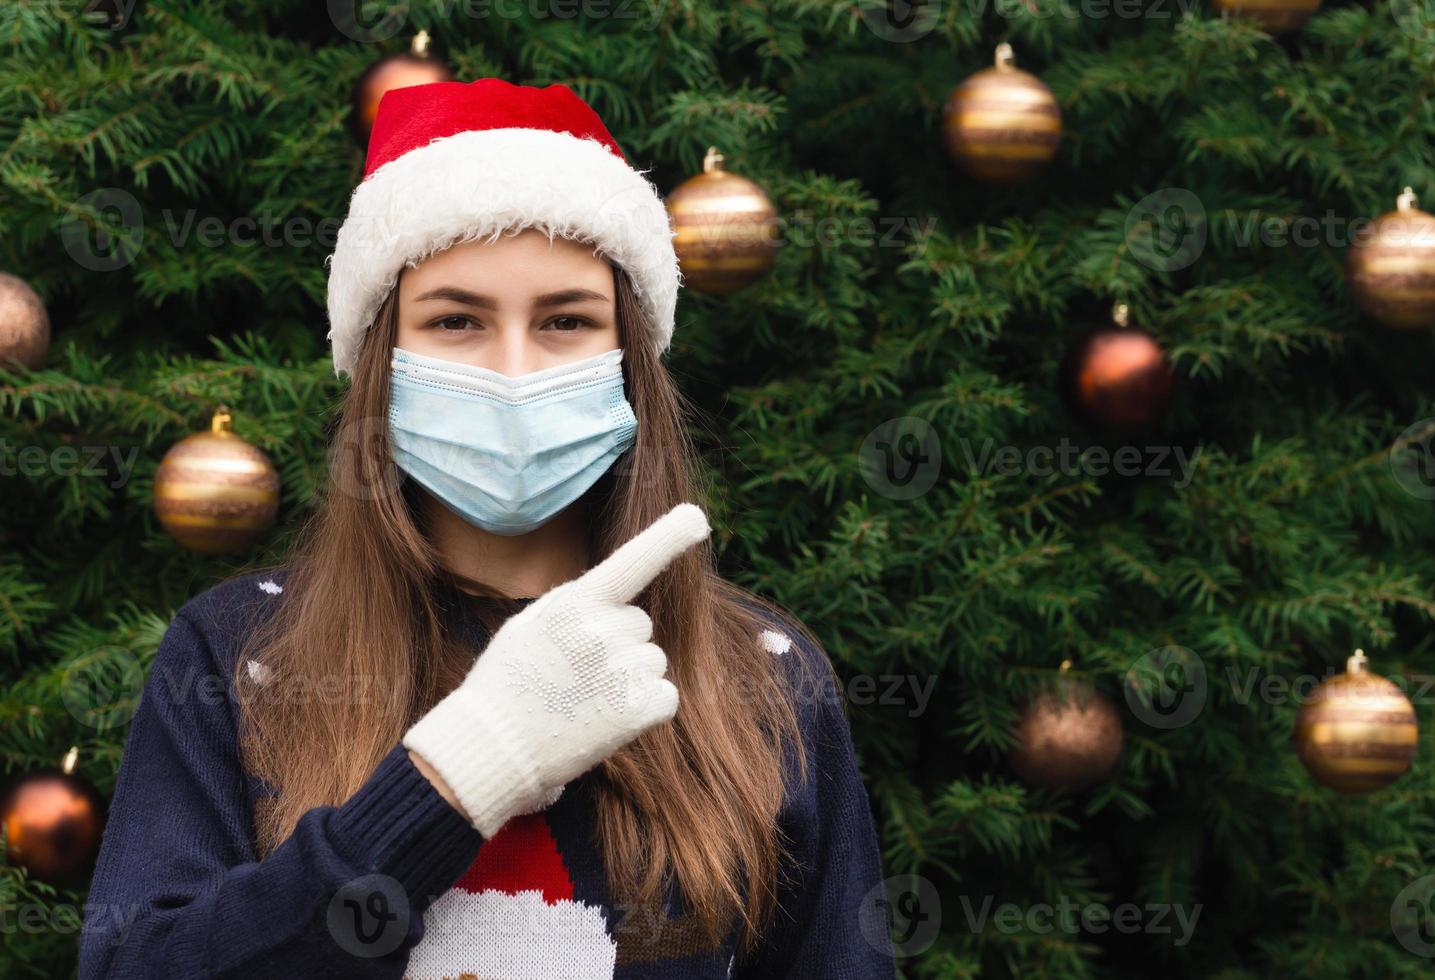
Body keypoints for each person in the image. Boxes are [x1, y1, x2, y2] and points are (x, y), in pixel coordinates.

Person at [77, 78, 897, 978]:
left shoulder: (762, 675)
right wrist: (456, 775)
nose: (513, 370)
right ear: (383, 361)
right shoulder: (241, 652)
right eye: (456, 320)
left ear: (631, 361)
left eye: (567, 321)